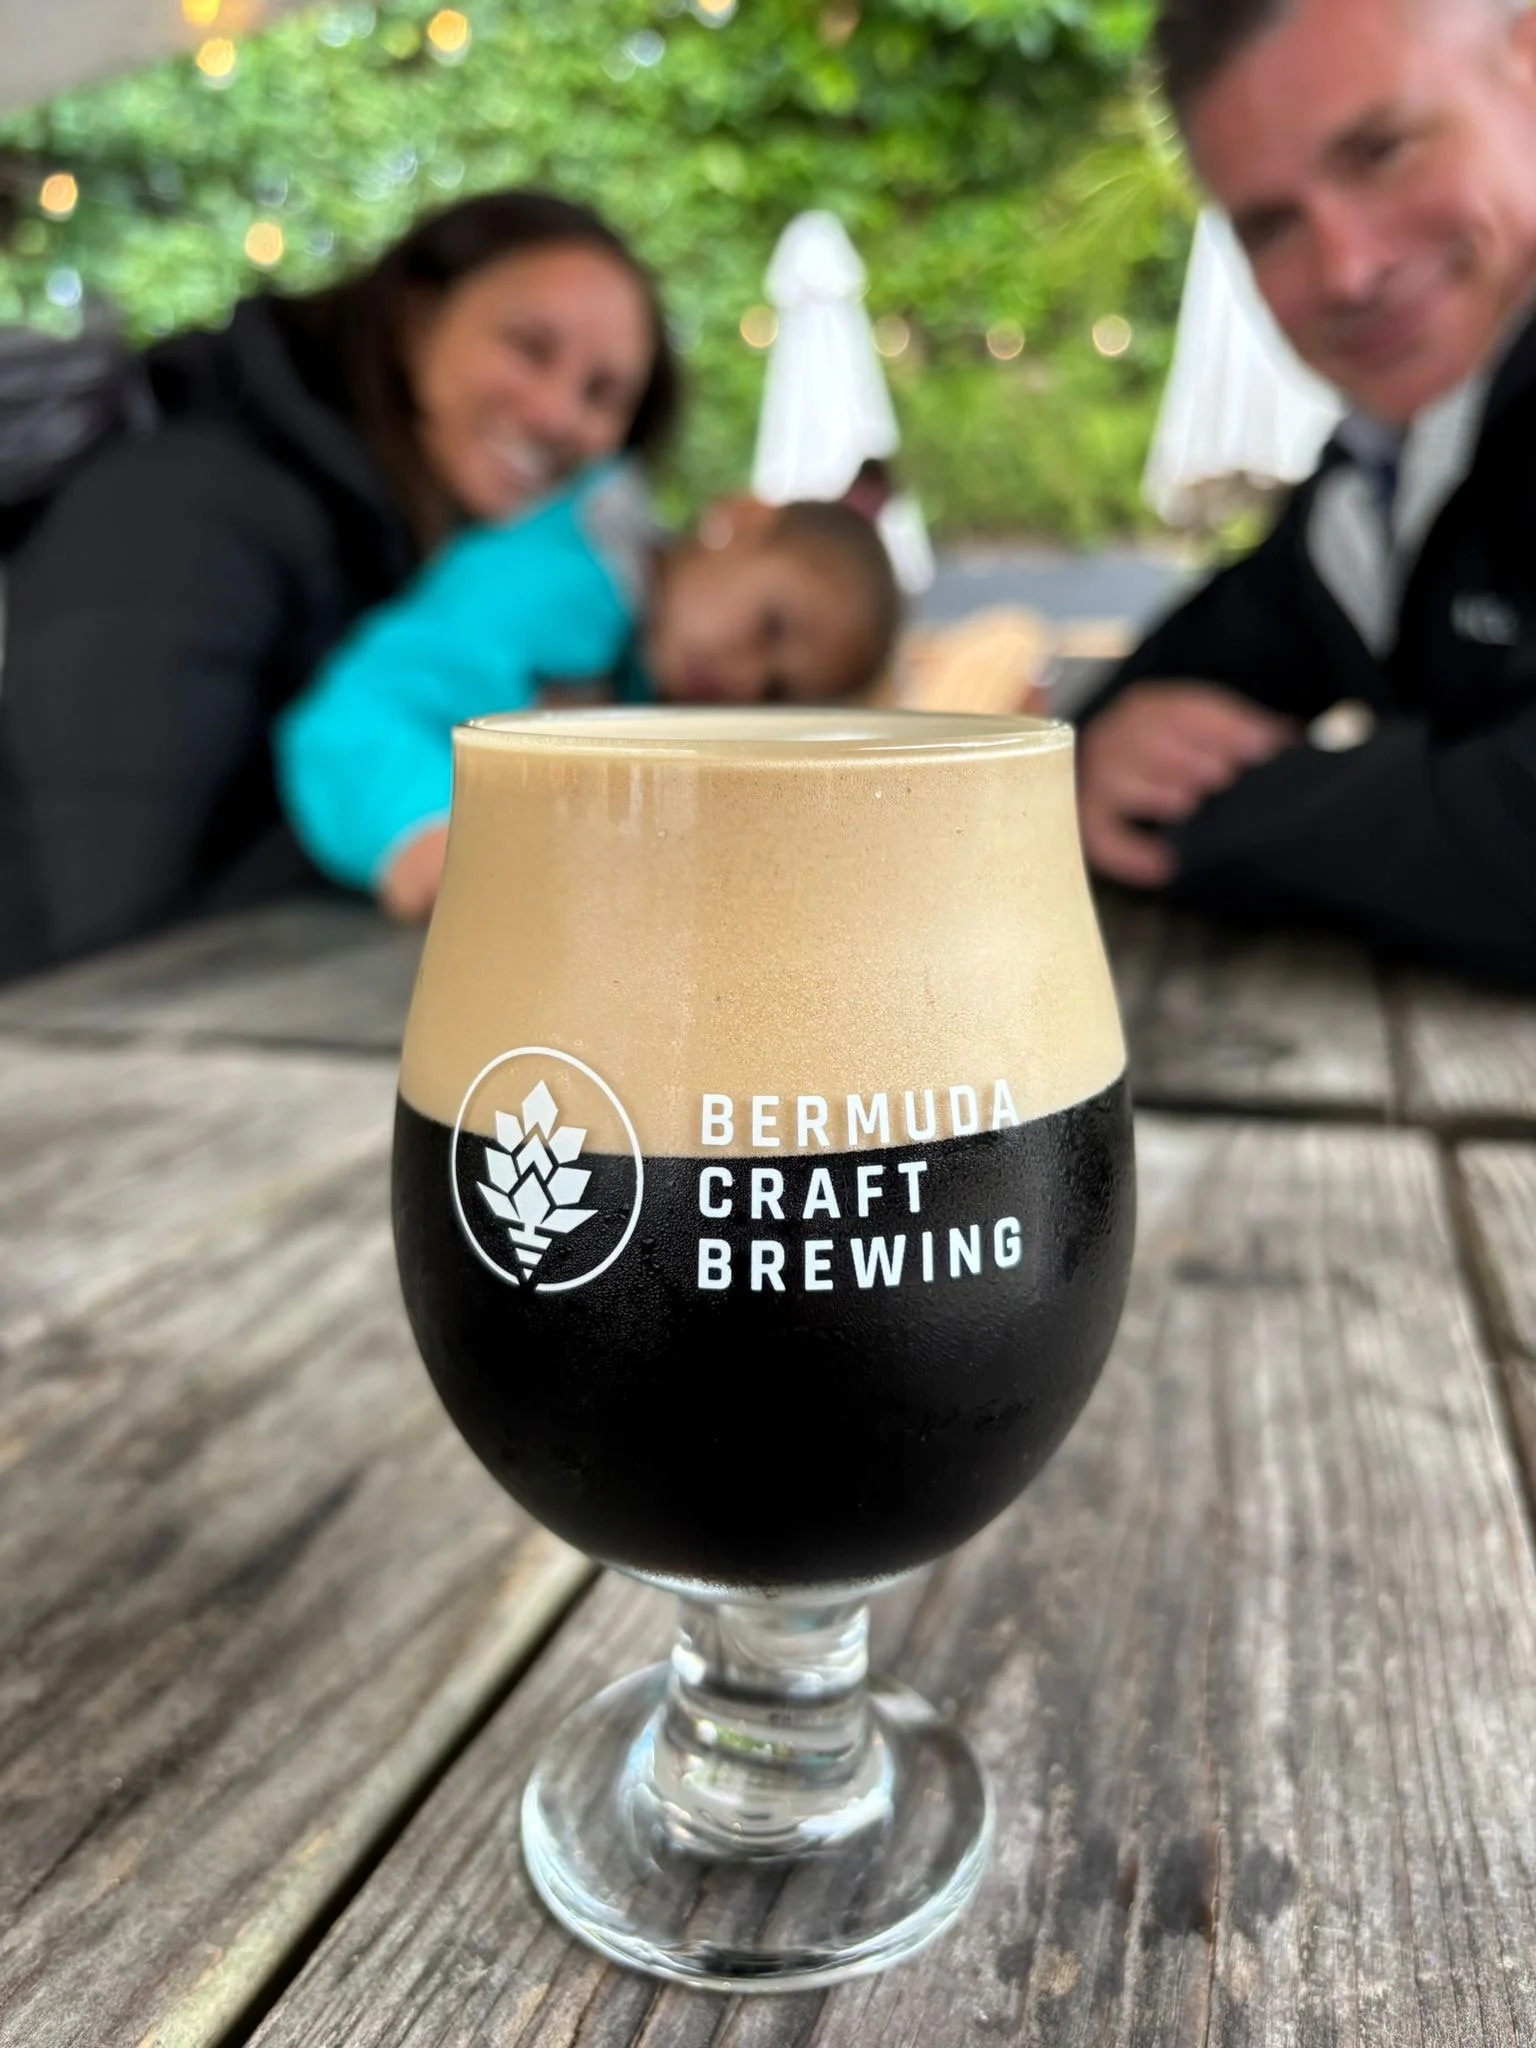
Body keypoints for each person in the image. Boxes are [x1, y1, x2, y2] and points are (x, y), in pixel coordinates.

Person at [0, 189, 678, 985]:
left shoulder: (412, 551)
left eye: (604, 396)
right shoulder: (180, 506)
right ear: (417, 321)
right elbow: (118, 925)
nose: (562, 414)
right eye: (530, 348)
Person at [1078, 0, 1536, 987]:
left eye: (1381, 151)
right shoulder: (1376, 479)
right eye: (1270, 224)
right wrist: (1101, 759)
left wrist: (1225, 811)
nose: (1346, 269)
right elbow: (1154, 695)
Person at [276, 476, 900, 921]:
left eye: (775, 691)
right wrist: (422, 825)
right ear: (741, 518)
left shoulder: (642, 670)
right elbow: (353, 716)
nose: (745, 678)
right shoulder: (570, 582)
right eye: (770, 625)